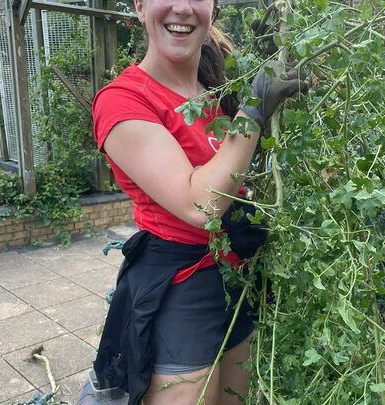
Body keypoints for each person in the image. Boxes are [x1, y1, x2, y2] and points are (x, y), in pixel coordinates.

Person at [79, 0, 308, 404]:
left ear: (214, 9)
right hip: (179, 284)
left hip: (235, 276)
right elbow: (199, 205)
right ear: (140, 6)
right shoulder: (123, 100)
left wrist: (266, 75)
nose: (182, 7)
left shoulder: (216, 94)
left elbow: (243, 172)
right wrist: (254, 109)